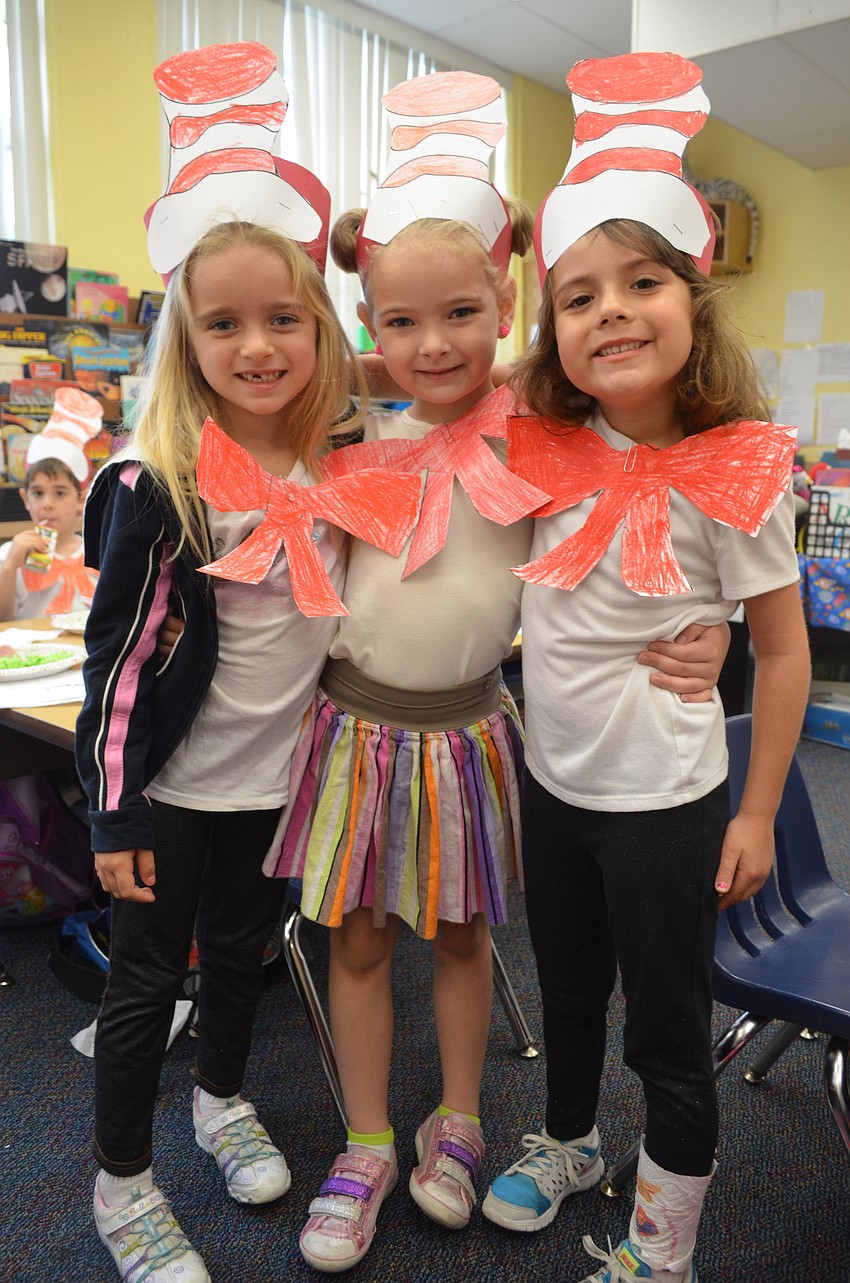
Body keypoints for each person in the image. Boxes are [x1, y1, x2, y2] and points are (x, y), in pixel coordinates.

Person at [262, 68, 731, 1276]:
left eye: (461, 314)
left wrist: (718, 623)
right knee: (357, 940)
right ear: (366, 318)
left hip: (474, 728)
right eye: (399, 322)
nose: (430, 345)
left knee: (465, 934)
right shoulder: (344, 429)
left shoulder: (545, 431)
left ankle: (460, 1120)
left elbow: (660, 511)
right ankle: (368, 1137)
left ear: (505, 295)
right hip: (356, 730)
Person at [480, 53, 811, 1283]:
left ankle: (660, 1249)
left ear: (694, 295)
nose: (610, 310)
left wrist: (763, 806)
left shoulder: (733, 468)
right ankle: (568, 1139)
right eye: (577, 295)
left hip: (668, 803)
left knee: (668, 1034)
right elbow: (419, 434)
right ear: (552, 330)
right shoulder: (546, 449)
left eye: (642, 281)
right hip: (553, 785)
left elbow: (779, 648)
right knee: (563, 993)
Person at [0, 386, 103, 621]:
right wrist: (9, 568)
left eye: (59, 493)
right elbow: (3, 622)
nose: (46, 504)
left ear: (81, 500)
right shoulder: (11, 554)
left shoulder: (97, 552)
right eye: (37, 494)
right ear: (25, 499)